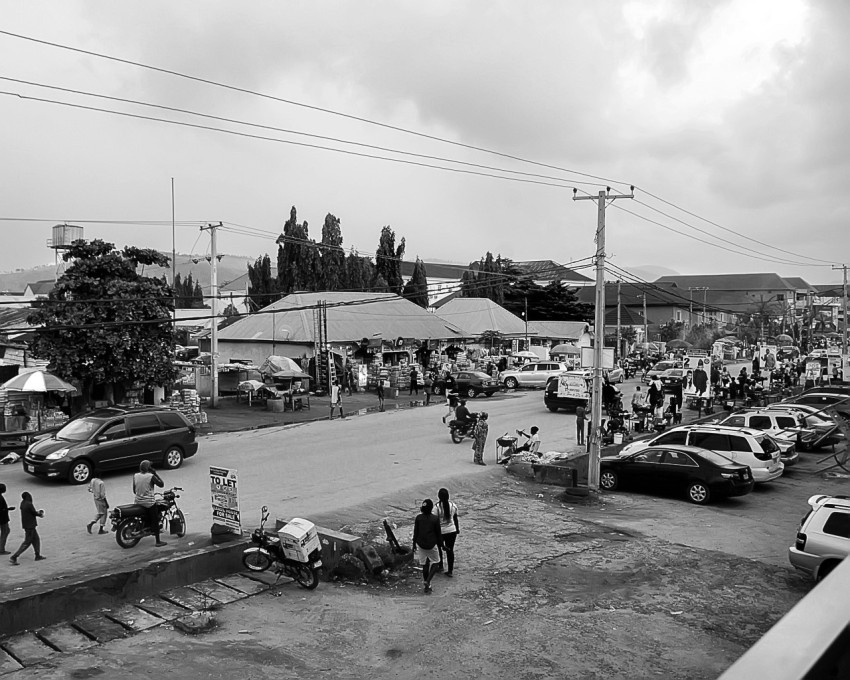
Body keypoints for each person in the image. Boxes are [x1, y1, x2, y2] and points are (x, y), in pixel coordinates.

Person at [412, 499, 443, 594]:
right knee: (436, 562)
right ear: (431, 508)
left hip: (420, 544)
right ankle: (428, 581)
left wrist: (413, 544)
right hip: (431, 544)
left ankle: (427, 586)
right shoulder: (435, 519)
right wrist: (442, 545)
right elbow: (438, 534)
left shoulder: (418, 518)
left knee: (425, 564)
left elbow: (415, 532)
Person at [133, 460, 166, 547]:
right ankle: (158, 541)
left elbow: (134, 490)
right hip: (149, 503)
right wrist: (155, 473)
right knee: (155, 520)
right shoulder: (151, 476)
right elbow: (161, 484)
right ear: (148, 468)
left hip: (138, 501)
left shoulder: (135, 476)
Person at [9, 491, 45, 565]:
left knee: (36, 540)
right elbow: (34, 513)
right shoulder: (29, 504)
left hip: (27, 525)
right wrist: (40, 513)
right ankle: (14, 556)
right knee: (27, 542)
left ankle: (37, 555)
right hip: (30, 525)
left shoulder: (23, 503)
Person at [436, 488, 460, 576]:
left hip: (441, 532)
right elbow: (455, 518)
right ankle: (450, 571)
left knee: (439, 549)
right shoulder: (453, 506)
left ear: (439, 496)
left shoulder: (437, 507)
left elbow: (434, 520)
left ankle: (440, 565)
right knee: (450, 550)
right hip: (452, 530)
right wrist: (457, 529)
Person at [0, 483, 13, 555]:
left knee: (6, 531)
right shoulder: (0, 498)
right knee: (5, 531)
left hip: (2, 518)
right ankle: (1, 549)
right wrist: (8, 509)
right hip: (2, 519)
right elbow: (1, 510)